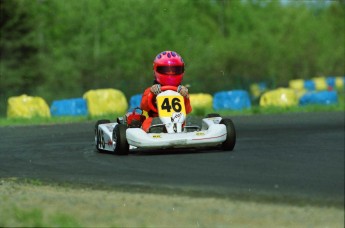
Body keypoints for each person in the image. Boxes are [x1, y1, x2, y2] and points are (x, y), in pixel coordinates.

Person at [140, 50, 192, 132]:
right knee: (149, 124)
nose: (170, 73)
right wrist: (153, 94)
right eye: (166, 70)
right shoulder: (150, 91)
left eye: (174, 70)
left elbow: (187, 110)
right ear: (155, 70)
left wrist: (185, 96)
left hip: (179, 122)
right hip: (156, 121)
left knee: (190, 123)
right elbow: (144, 106)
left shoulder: (182, 91)